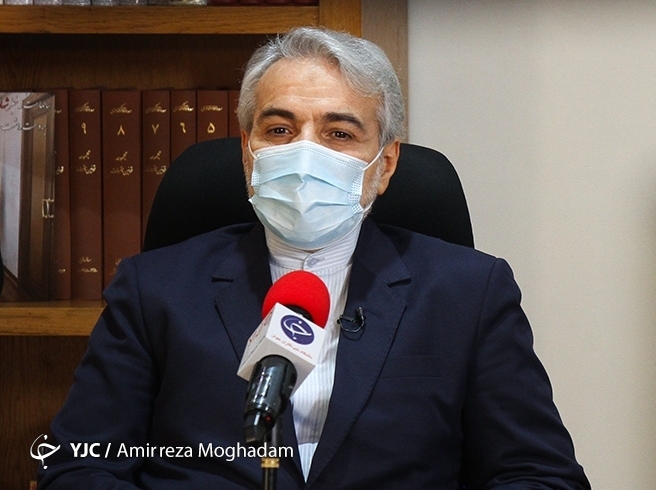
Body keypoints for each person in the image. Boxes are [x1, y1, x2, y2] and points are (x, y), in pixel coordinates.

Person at [40, 27, 589, 490]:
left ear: (385, 164)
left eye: (339, 133)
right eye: (279, 130)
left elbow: (540, 475)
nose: (305, 153)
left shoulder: (468, 292)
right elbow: (77, 465)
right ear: (248, 152)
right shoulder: (153, 288)